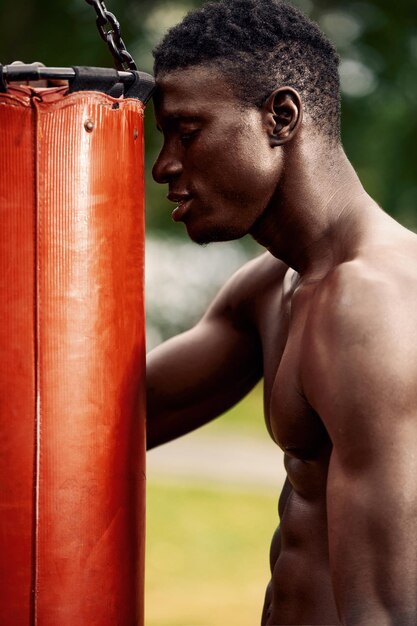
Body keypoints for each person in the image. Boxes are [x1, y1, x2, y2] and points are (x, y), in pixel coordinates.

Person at [146, 1, 417, 624]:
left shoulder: (373, 305)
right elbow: (98, 422)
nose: (164, 165)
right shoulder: (268, 291)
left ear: (282, 116)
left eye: (187, 132)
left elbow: (387, 611)